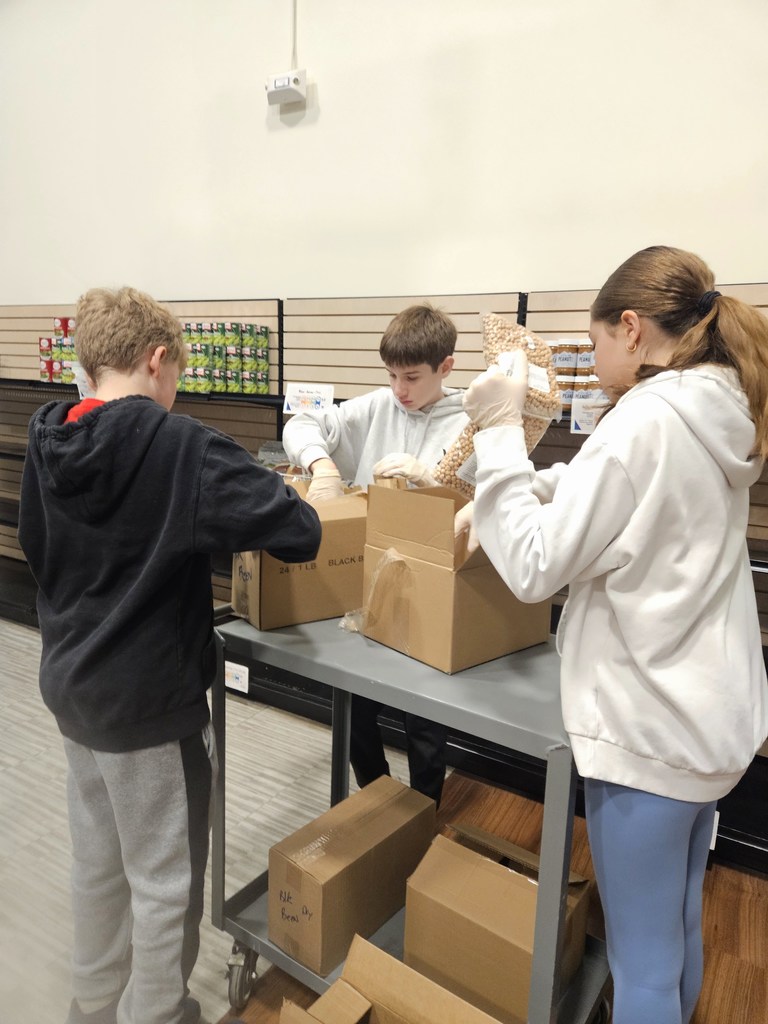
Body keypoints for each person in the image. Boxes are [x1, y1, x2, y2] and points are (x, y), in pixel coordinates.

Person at [460, 245, 768, 1024]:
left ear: (631, 329)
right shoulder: (714, 407)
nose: (592, 360)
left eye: (596, 343)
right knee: (678, 924)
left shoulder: (648, 417)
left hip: (650, 736)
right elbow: (623, 494)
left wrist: (498, 436)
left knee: (640, 969)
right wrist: (528, 486)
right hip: (711, 725)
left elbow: (534, 565)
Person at [18, 287, 321, 1024]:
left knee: (98, 860)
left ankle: (92, 1001)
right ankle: (155, 1013)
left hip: (73, 691)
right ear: (158, 360)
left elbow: (36, 545)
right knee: (163, 879)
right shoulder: (179, 444)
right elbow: (298, 529)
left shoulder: (45, 434)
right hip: (149, 706)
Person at [282, 303, 469, 804]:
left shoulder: (469, 418)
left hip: (433, 580)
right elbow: (301, 425)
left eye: (411, 376)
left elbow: (487, 499)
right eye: (391, 375)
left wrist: (437, 481)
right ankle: (380, 800)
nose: (400, 390)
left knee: (425, 714)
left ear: (445, 367)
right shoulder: (375, 407)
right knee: (354, 704)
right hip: (366, 577)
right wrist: (321, 465)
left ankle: (424, 810)